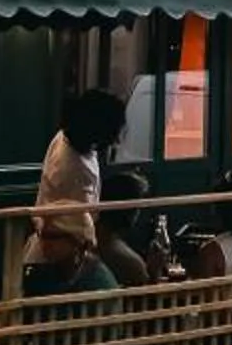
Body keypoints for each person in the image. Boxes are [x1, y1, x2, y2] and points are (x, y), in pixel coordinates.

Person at [24, 90, 147, 283]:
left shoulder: (69, 140)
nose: (116, 141)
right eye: (112, 133)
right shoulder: (74, 169)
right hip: (63, 258)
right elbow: (82, 228)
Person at [19, 218, 125, 298]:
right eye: (43, 236)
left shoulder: (98, 283)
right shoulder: (41, 275)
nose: (45, 244)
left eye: (54, 237)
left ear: (77, 241)